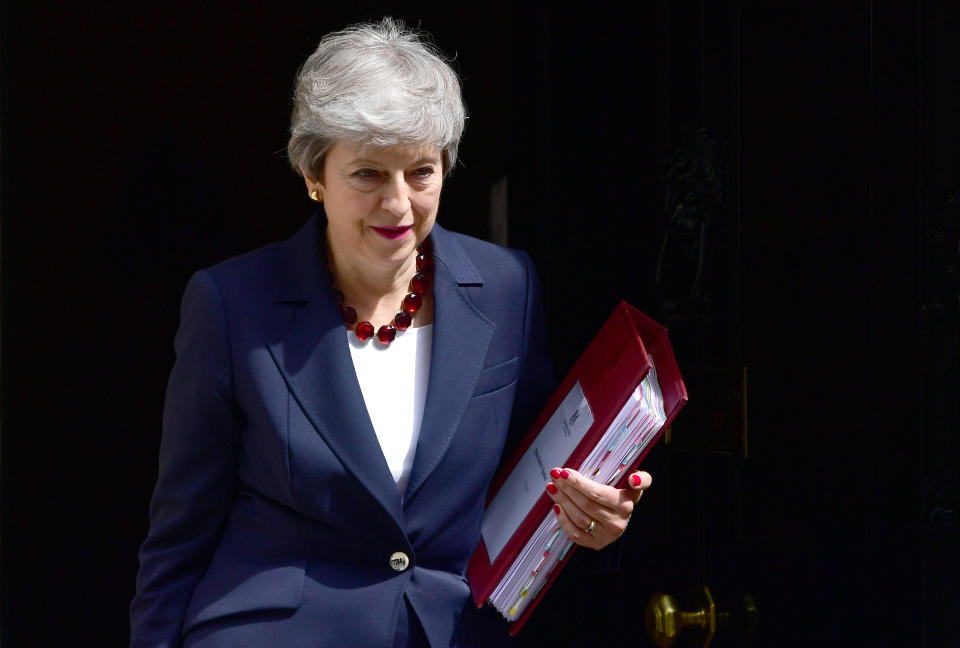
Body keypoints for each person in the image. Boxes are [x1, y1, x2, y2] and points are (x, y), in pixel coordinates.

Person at [129, 18, 650, 648]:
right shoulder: (230, 303)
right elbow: (179, 537)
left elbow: (532, 487)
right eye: (369, 174)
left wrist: (593, 524)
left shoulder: (510, 285)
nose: (398, 204)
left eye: (421, 172)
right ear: (313, 175)